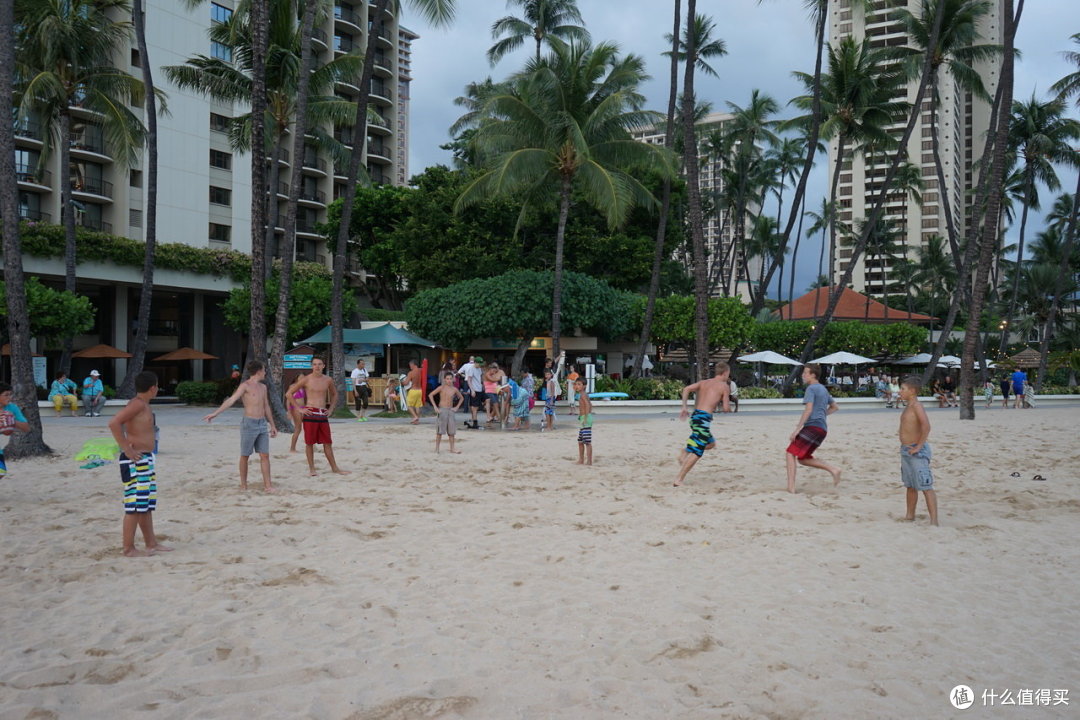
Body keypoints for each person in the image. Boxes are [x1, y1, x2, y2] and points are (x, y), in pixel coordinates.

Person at [107, 371, 172, 557]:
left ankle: (151, 543)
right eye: (157, 386)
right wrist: (127, 448)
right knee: (134, 506)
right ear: (153, 388)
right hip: (135, 460)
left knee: (145, 505)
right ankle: (128, 548)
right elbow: (114, 423)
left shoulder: (143, 405)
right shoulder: (136, 404)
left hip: (145, 458)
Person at [204, 360, 279, 493]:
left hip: (262, 423)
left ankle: (268, 485)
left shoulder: (263, 387)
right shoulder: (245, 386)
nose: (265, 372)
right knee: (245, 455)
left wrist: (272, 425)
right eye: (264, 370)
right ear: (259, 371)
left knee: (265, 455)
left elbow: (266, 406)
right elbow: (231, 400)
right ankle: (243, 485)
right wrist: (215, 413)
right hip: (249, 424)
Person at [285, 357, 347, 476]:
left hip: (322, 413)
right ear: (312, 366)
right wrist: (298, 408)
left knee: (327, 442)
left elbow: (334, 394)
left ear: (323, 366)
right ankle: (312, 469)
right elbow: (289, 394)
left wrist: (331, 409)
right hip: (310, 412)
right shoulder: (306, 379)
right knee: (310, 443)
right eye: (314, 364)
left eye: (319, 364)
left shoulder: (328, 380)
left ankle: (335, 468)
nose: (317, 366)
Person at [785, 363, 842, 494]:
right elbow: (835, 407)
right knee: (803, 458)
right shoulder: (823, 389)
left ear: (813, 375)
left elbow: (808, 409)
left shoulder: (811, 389)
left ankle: (791, 488)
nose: (803, 375)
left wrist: (798, 429)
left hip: (812, 427)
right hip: (822, 429)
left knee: (790, 453)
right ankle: (833, 469)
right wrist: (822, 415)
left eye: (805, 373)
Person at [674, 363, 731, 487]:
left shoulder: (704, 382)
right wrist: (727, 407)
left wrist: (684, 407)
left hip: (696, 417)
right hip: (703, 419)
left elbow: (686, 389)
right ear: (725, 373)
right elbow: (726, 408)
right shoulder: (724, 386)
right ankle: (679, 479)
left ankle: (686, 450)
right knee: (698, 452)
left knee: (710, 444)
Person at [898, 376, 937, 526]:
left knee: (925, 486)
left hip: (916, 451)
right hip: (906, 450)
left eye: (903, 389)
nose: (900, 392)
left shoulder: (917, 406)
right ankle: (910, 515)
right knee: (910, 485)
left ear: (912, 391)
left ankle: (934, 520)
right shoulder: (908, 406)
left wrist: (919, 446)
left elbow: (926, 426)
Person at [0, 383, 30, 478]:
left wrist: (12, 420)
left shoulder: (12, 408)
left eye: (10, 394)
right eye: (6, 395)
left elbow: (26, 428)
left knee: (1, 472)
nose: (10, 397)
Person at [428, 372, 463, 453]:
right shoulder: (441, 387)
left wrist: (456, 407)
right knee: (439, 431)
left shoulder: (454, 389)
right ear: (444, 379)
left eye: (450, 379)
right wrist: (435, 407)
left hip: (450, 410)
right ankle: (437, 448)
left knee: (451, 432)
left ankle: (452, 448)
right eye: (447, 379)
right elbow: (430, 395)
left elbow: (461, 398)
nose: (449, 380)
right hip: (442, 410)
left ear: (453, 379)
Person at [463, 356, 485, 430]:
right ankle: (475, 422)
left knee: (477, 406)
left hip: (479, 389)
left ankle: (474, 421)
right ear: (475, 362)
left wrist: (482, 385)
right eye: (479, 364)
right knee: (474, 407)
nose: (480, 365)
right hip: (474, 389)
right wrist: (472, 390)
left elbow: (480, 377)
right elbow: (469, 380)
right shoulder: (471, 369)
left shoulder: (479, 369)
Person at [284, 377, 306, 453]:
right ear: (296, 378)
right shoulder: (292, 386)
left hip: (303, 408)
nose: (303, 378)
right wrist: (289, 412)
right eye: (301, 377)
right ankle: (292, 448)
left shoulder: (302, 386)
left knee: (307, 427)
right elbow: (288, 400)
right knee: (298, 428)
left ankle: (312, 446)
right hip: (295, 408)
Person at [575, 379, 593, 465]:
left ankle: (589, 461)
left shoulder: (583, 395)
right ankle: (581, 460)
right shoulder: (582, 395)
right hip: (583, 418)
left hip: (585, 419)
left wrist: (586, 417)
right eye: (576, 384)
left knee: (587, 442)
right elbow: (590, 404)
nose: (577, 386)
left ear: (584, 386)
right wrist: (581, 415)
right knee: (580, 441)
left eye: (579, 384)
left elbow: (587, 405)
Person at [404, 360, 424, 425]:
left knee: (408, 405)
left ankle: (415, 417)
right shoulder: (420, 370)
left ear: (413, 364)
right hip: (419, 391)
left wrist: (401, 382)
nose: (410, 367)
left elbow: (406, 383)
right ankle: (417, 421)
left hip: (413, 390)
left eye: (410, 365)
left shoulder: (411, 373)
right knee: (417, 406)